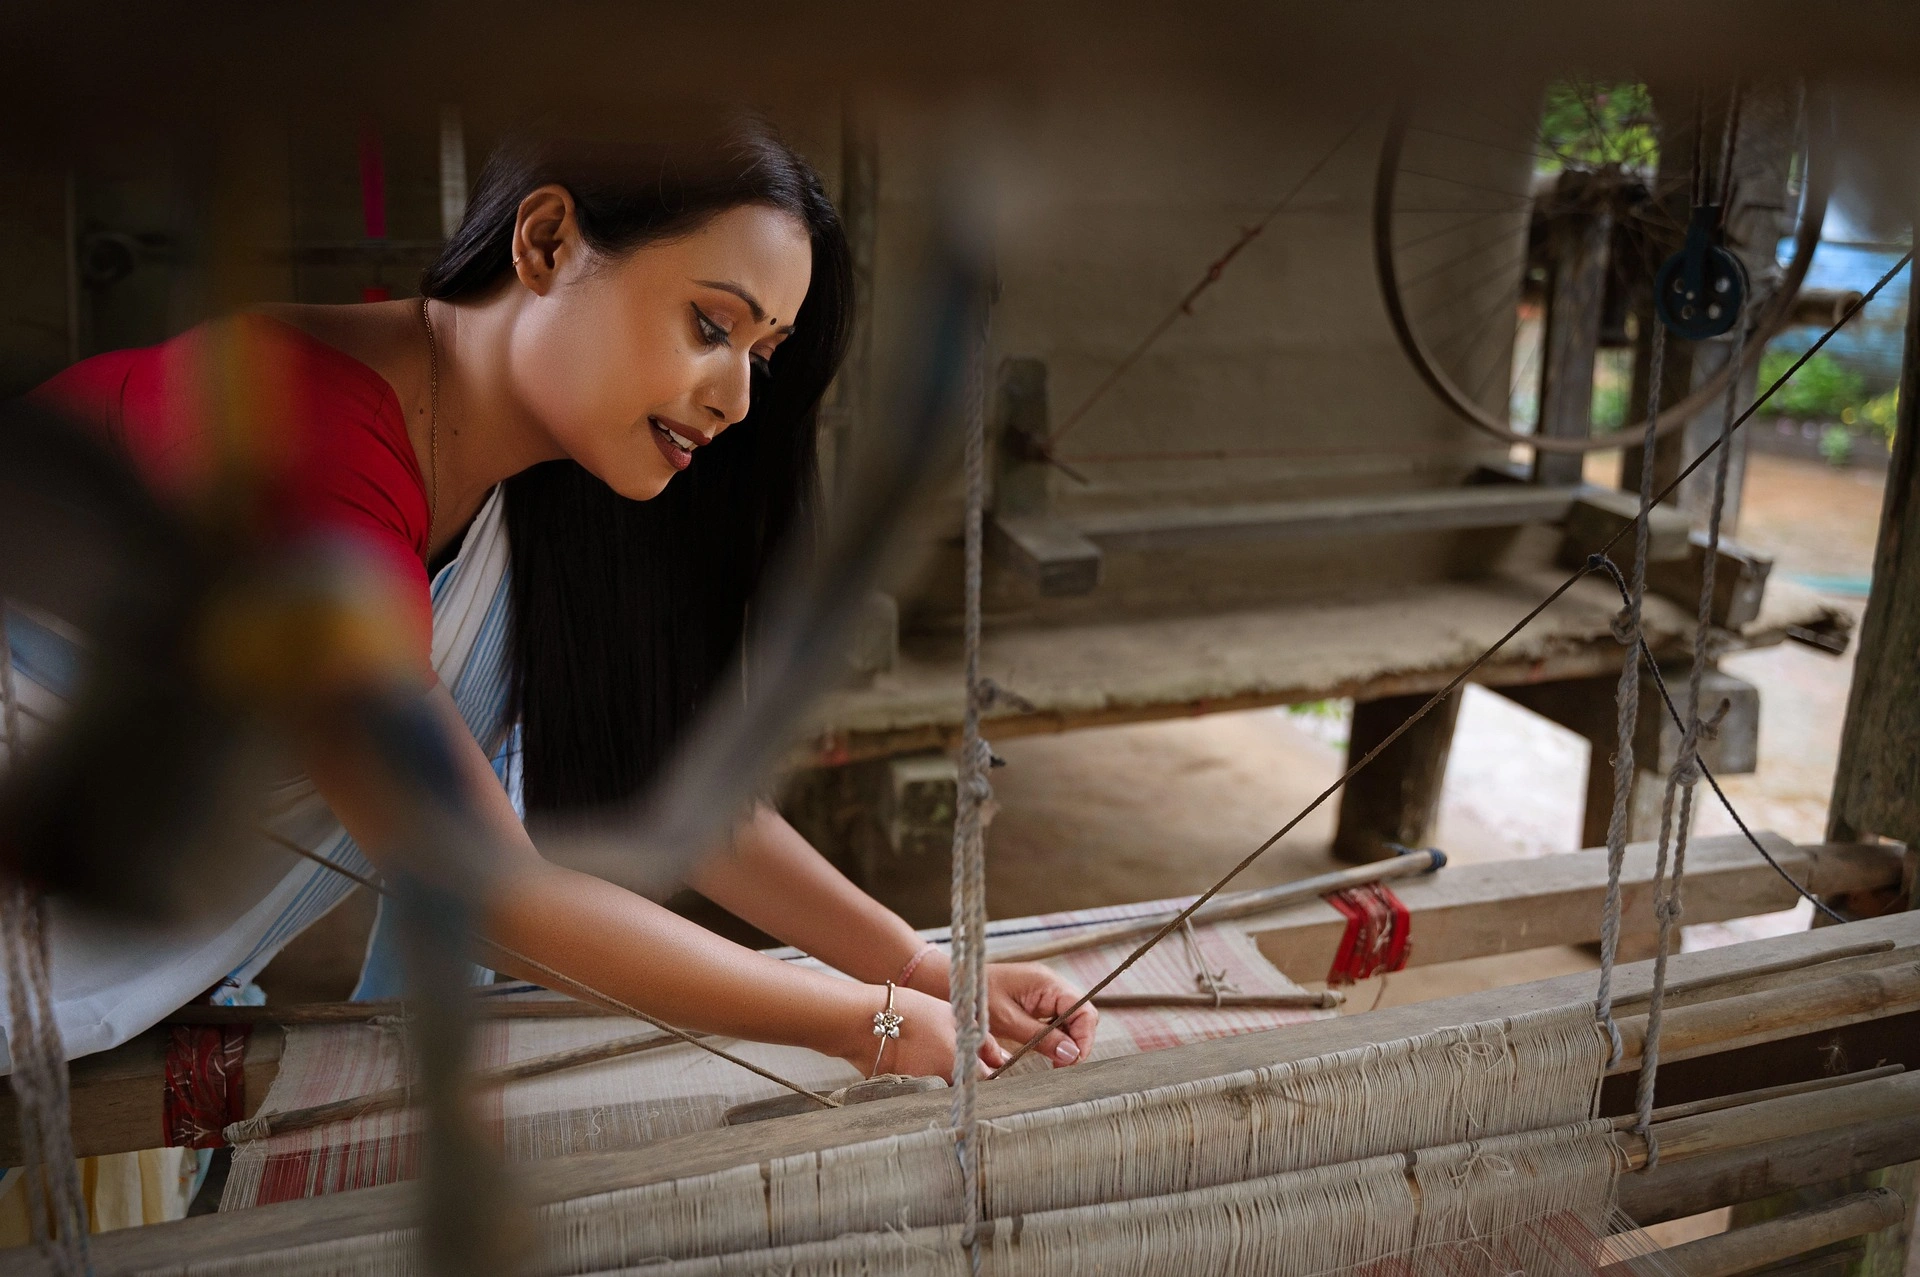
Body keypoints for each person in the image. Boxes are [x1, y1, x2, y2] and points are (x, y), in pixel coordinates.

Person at [19, 115, 1096, 1084]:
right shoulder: (294, 434)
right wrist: (859, 1018)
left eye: (764, 356)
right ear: (544, 244)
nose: (735, 396)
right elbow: (488, 892)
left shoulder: (537, 475)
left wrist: (927, 966)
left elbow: (669, 782)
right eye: (712, 326)